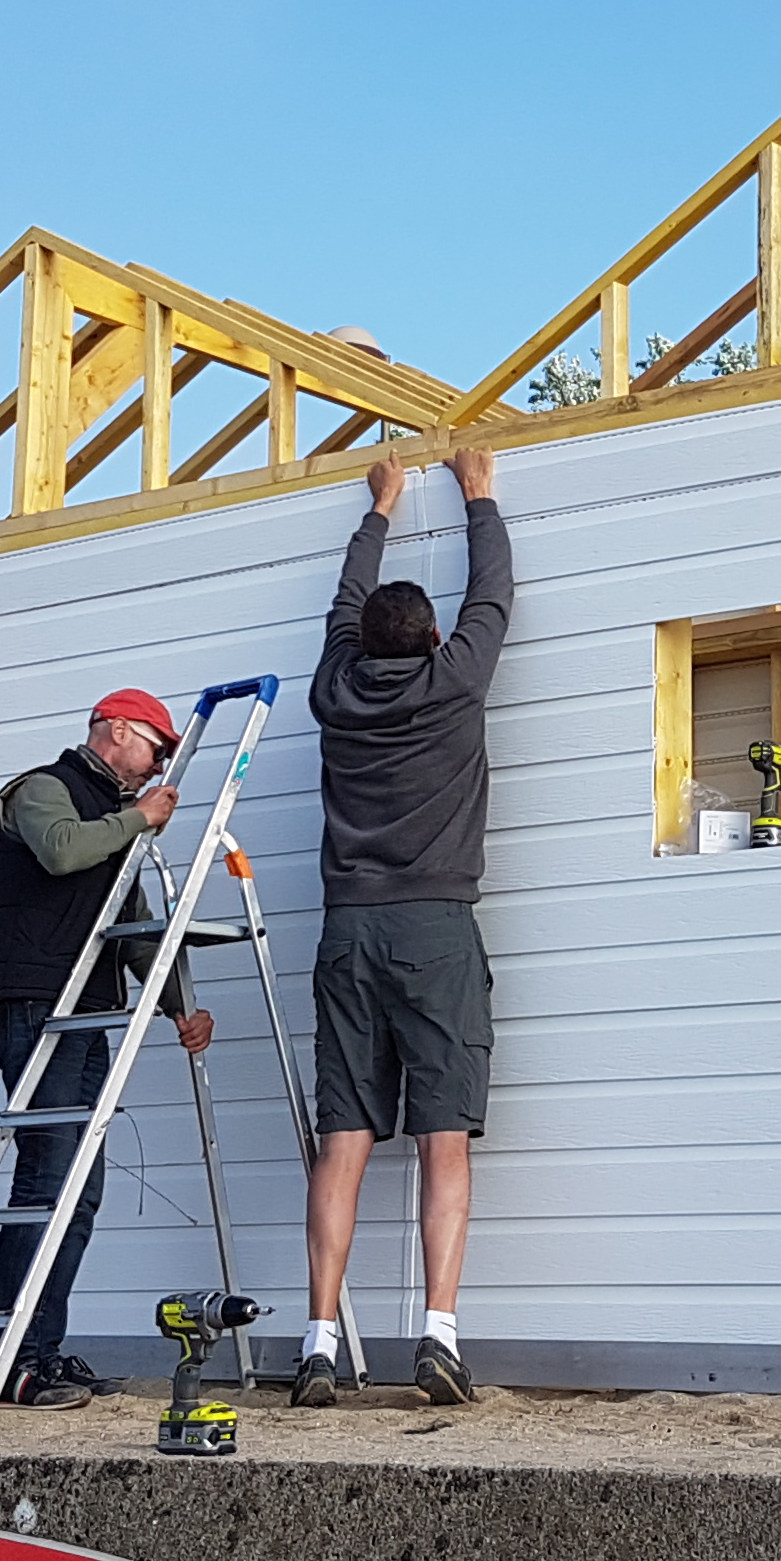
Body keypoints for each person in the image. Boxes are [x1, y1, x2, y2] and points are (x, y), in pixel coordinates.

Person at [295, 444, 512, 1409]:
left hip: (347, 932)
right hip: (433, 928)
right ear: (430, 642)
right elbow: (494, 597)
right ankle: (439, 1335)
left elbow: (344, 608)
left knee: (342, 1137)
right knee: (442, 1137)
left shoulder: (333, 692)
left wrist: (379, 508)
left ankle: (317, 1341)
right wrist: (478, 495)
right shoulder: (454, 683)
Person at [0, 689, 218, 1407]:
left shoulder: (116, 823)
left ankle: (39, 1349)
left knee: (78, 1189)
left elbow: (131, 930)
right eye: (154, 748)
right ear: (113, 732)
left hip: (85, 1014)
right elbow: (62, 851)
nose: (159, 765)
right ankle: (14, 1361)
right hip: (37, 1007)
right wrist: (138, 819)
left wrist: (177, 1010)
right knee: (48, 1181)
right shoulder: (40, 790)